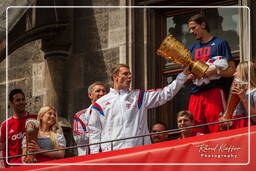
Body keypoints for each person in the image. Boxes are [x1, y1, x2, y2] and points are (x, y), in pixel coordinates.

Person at [88, 63, 190, 154]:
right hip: (113, 155)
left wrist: (183, 75)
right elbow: (94, 133)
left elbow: (165, 94)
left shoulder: (139, 96)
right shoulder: (100, 103)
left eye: (130, 74)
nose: (129, 77)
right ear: (115, 77)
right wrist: (95, 158)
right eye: (125, 74)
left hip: (138, 152)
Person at [187, 13, 236, 133]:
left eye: (194, 28)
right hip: (195, 94)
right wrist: (190, 75)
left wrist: (216, 70)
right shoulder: (191, 49)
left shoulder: (220, 43)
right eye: (190, 29)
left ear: (203, 24)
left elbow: (232, 70)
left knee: (218, 129)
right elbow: (186, 75)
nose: (191, 31)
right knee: (194, 132)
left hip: (214, 92)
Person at [0, 89, 37, 167]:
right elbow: (4, 149)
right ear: (12, 103)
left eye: (23, 99)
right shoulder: (5, 125)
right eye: (18, 100)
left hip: (32, 162)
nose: (21, 102)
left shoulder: (35, 118)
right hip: (15, 165)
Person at [72, 81, 107, 156]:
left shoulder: (112, 112)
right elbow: (78, 138)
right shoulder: (80, 116)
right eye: (98, 91)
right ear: (90, 95)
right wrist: (97, 133)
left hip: (108, 154)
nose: (101, 93)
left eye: (104, 91)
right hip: (88, 156)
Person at [220, 61, 256, 129]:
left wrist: (244, 99)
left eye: (236, 71)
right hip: (237, 128)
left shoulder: (254, 92)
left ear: (245, 73)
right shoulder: (235, 93)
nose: (234, 74)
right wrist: (226, 120)